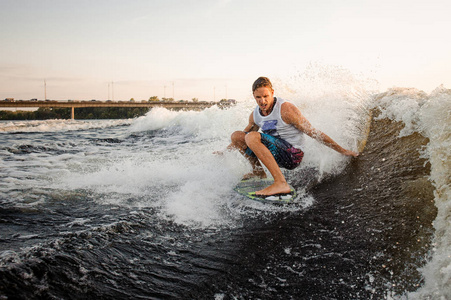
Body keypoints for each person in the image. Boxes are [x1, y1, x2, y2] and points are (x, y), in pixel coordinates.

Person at [220, 76, 359, 198]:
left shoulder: (285, 109)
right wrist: (224, 152)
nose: (262, 101)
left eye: (266, 96)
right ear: (253, 96)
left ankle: (280, 183)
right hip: (275, 154)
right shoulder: (255, 115)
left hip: (293, 155)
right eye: (258, 97)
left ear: (272, 93)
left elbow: (313, 132)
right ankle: (258, 172)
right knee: (237, 136)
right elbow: (241, 138)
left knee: (251, 137)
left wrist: (342, 150)